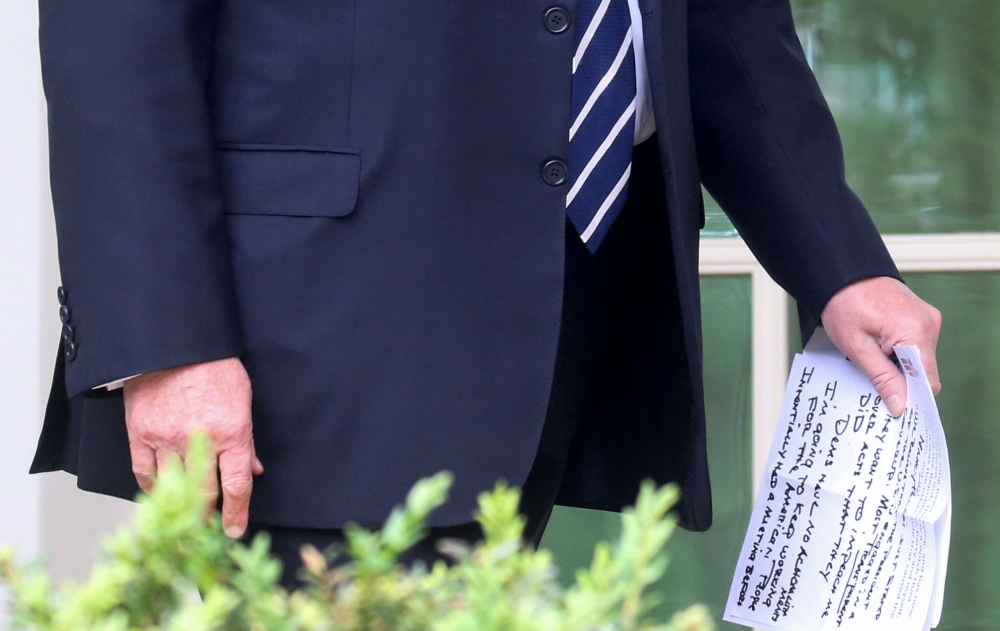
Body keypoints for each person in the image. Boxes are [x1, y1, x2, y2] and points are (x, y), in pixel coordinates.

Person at [30, 0, 941, 587]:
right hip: (315, 321)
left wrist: (837, 258)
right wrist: (168, 335)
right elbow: (114, 34)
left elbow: (722, 20)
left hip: (569, 288)